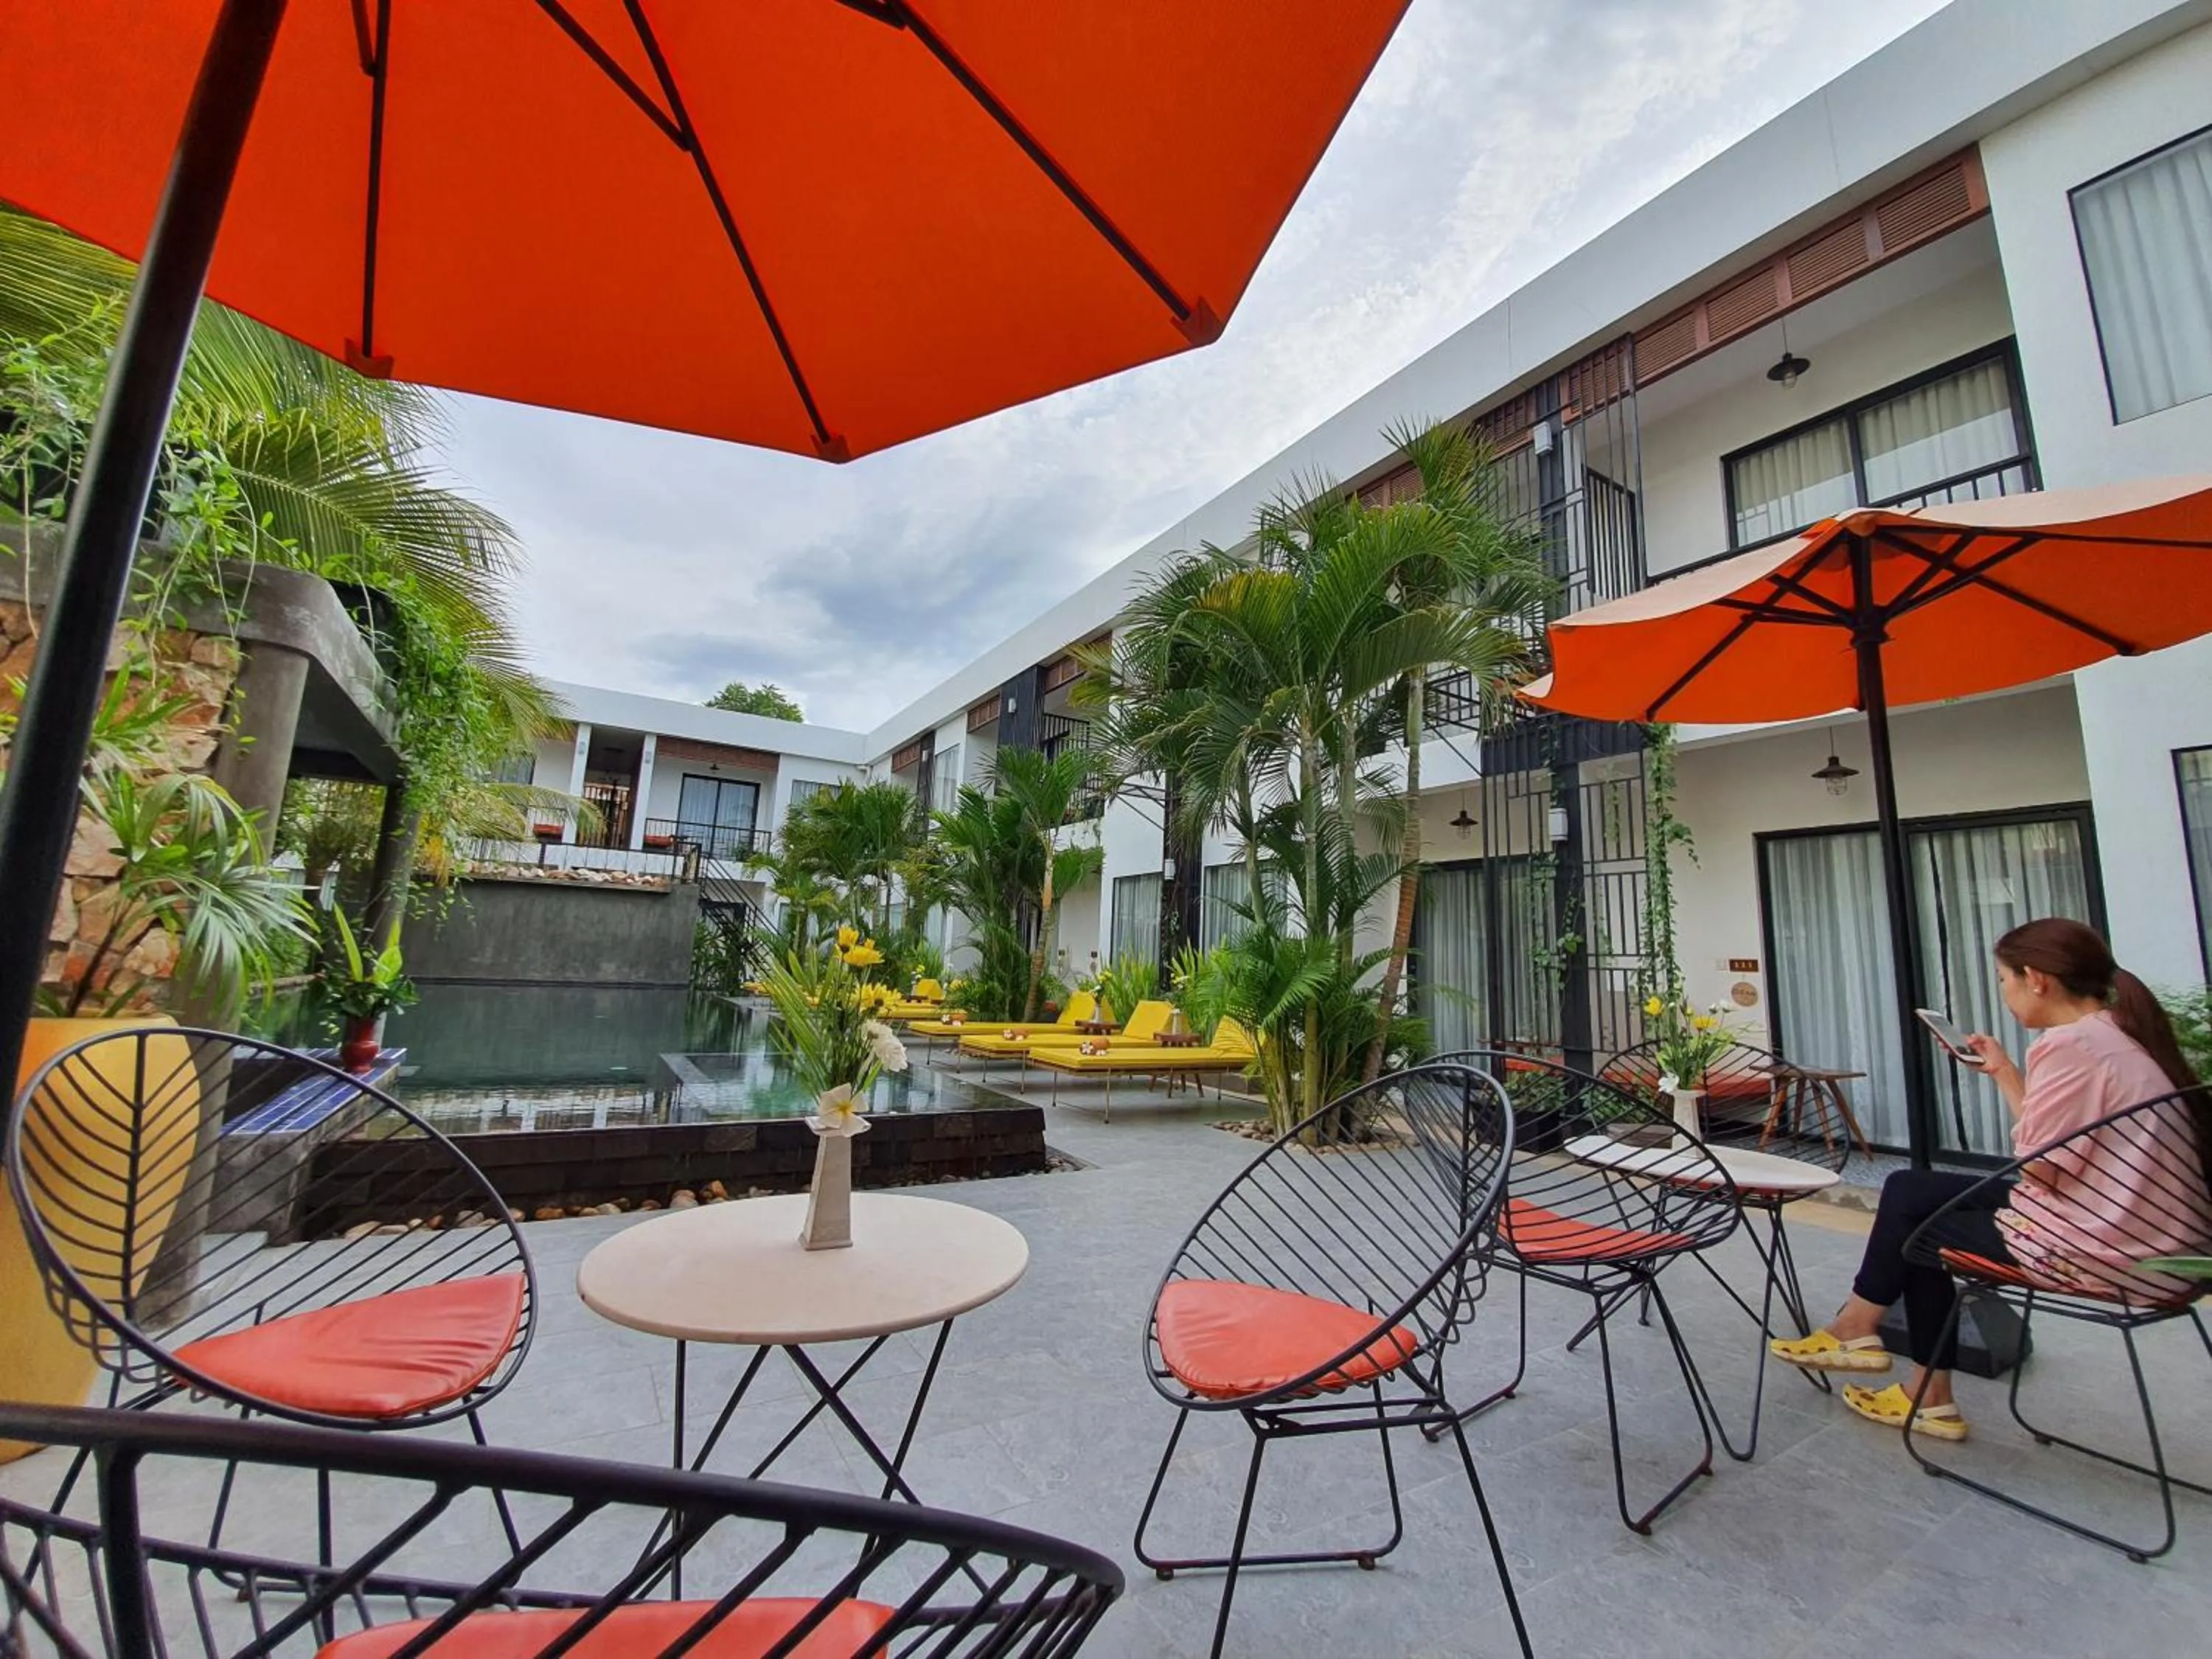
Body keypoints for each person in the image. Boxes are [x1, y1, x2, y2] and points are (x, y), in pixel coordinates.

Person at [1768, 918, 2207, 1440]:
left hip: (2104, 1249)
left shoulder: (2069, 1047)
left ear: (2036, 978)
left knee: (1916, 1225)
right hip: (2147, 1243)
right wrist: (2004, 1072)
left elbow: (2038, 1165)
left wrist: (2018, 1083)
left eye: (2004, 980)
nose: (2005, 994)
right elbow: (2057, 1152)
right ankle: (1874, 1344)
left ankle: (1892, 1362)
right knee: (1909, 1190)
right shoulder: (2115, 1035)